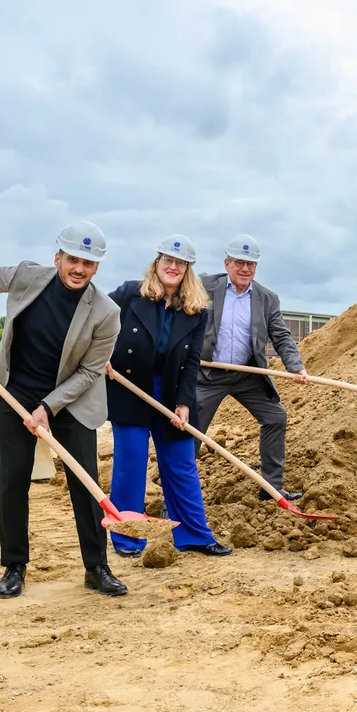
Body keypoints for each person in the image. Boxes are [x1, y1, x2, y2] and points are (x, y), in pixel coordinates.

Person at [0, 220, 126, 599]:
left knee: (85, 482)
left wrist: (48, 407)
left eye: (88, 264)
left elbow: (90, 371)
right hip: (16, 391)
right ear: (58, 258)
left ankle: (96, 567)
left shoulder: (106, 312)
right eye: (73, 260)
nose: (79, 269)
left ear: (96, 268)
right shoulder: (27, 276)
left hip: (71, 401)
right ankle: (14, 566)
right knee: (13, 480)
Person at [105, 235, 232, 559]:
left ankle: (193, 535)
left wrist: (184, 402)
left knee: (181, 462)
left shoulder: (196, 310)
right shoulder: (130, 294)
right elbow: (96, 319)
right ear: (157, 262)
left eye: (180, 263)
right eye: (168, 260)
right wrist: (100, 354)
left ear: (188, 269)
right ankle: (128, 537)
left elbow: (192, 361)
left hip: (171, 391)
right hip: (129, 387)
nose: (173, 267)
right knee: (131, 462)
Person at [197, 234, 309, 501]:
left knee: (275, 417)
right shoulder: (204, 286)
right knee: (189, 430)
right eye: (239, 262)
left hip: (246, 374)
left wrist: (295, 366)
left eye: (250, 264)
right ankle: (173, 502)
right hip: (207, 374)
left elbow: (280, 335)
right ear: (226, 263)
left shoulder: (267, 298)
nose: (245, 268)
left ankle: (271, 488)